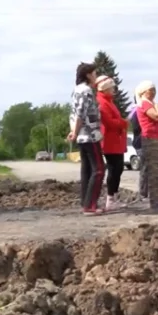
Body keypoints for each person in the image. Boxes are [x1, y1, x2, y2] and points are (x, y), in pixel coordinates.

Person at [68, 62, 104, 215]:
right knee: (99, 169)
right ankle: (90, 206)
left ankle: (85, 202)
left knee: (87, 170)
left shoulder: (76, 91)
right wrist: (75, 132)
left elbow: (73, 113)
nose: (96, 76)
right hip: (89, 134)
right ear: (88, 75)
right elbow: (81, 113)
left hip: (82, 136)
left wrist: (74, 132)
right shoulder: (86, 91)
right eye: (95, 73)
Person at [95, 75, 127, 210]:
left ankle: (112, 197)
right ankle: (110, 199)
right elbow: (108, 122)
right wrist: (123, 122)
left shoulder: (109, 101)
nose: (114, 89)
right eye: (111, 87)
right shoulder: (102, 102)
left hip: (115, 141)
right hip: (110, 141)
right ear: (105, 88)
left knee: (118, 169)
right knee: (114, 169)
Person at [135, 80, 158, 209]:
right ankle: (155, 201)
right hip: (151, 140)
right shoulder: (145, 104)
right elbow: (157, 117)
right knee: (154, 172)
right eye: (151, 90)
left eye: (154, 90)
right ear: (143, 92)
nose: (153, 92)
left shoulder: (151, 103)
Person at [128, 88, 148, 200]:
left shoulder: (136, 110)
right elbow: (136, 127)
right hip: (141, 141)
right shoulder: (136, 111)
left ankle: (149, 192)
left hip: (143, 140)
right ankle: (143, 193)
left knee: (148, 167)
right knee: (145, 167)